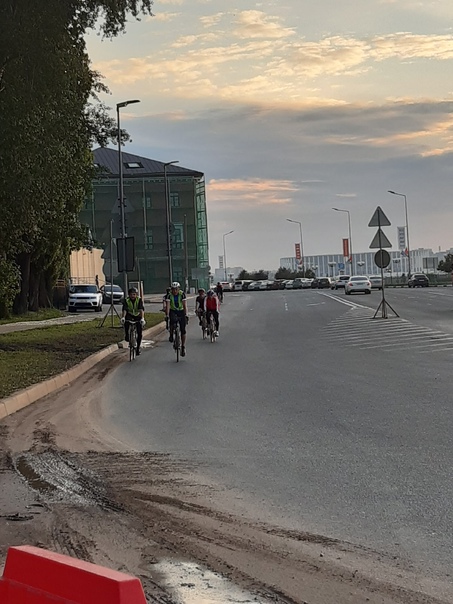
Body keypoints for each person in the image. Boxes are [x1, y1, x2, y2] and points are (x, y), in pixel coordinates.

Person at [165, 281, 189, 356]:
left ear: (179, 289)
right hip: (173, 311)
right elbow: (168, 306)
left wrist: (186, 315)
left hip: (181, 311)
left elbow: (185, 305)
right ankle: (171, 334)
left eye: (176, 289)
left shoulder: (182, 294)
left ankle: (183, 346)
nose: (174, 291)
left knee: (183, 330)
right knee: (172, 321)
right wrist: (167, 315)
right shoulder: (169, 295)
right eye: (173, 289)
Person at [120, 287, 146, 356]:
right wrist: (123, 317)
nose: (133, 296)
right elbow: (125, 310)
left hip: (137, 315)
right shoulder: (126, 300)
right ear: (129, 295)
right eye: (131, 294)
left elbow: (141, 310)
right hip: (130, 315)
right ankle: (127, 335)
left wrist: (142, 318)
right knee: (126, 322)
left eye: (134, 294)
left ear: (136, 295)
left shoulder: (139, 300)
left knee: (139, 333)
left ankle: (138, 349)